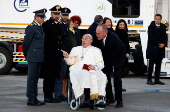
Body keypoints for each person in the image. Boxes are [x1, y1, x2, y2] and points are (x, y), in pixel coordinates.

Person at [61, 34, 107, 110]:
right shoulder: (75, 49)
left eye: (86, 39)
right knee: (86, 74)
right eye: (82, 38)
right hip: (78, 70)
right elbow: (70, 62)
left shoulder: (96, 50)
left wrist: (95, 67)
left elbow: (101, 63)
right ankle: (87, 99)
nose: (83, 40)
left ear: (91, 41)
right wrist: (67, 57)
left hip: (93, 70)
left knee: (103, 77)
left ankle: (99, 98)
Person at [95, 24, 126, 108]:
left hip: (118, 57)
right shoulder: (98, 37)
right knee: (105, 77)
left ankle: (119, 100)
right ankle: (110, 97)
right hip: (107, 57)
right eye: (96, 33)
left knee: (116, 78)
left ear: (105, 33)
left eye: (98, 33)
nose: (96, 35)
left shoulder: (114, 39)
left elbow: (114, 55)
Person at [22, 8, 47, 106]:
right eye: (41, 17)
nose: (43, 19)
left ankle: (34, 98)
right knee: (31, 78)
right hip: (33, 56)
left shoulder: (40, 27)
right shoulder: (31, 27)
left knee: (35, 79)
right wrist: (26, 55)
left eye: (44, 17)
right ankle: (31, 99)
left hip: (39, 57)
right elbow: (25, 43)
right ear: (36, 17)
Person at [40, 5, 62, 103]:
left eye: (58, 14)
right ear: (51, 14)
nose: (57, 15)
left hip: (56, 54)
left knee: (54, 76)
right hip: (49, 55)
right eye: (55, 14)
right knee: (48, 76)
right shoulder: (46, 24)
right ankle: (47, 96)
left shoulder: (59, 25)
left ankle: (51, 95)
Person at [54, 7, 71, 101]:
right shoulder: (59, 25)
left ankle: (60, 93)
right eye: (64, 15)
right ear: (61, 15)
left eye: (67, 15)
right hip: (60, 53)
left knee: (63, 74)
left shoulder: (66, 26)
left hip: (66, 53)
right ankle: (57, 94)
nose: (65, 17)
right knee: (59, 75)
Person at [146, 14, 167, 85]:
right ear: (154, 19)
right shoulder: (150, 27)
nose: (157, 20)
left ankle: (157, 79)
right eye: (156, 18)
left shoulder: (163, 27)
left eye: (158, 19)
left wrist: (164, 44)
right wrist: (159, 44)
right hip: (152, 49)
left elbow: (165, 37)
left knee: (158, 65)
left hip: (160, 49)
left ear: (161, 19)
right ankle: (149, 80)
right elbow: (151, 38)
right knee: (151, 65)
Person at [115, 19, 130, 91]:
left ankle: (119, 86)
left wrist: (128, 52)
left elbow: (127, 44)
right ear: (118, 25)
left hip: (124, 54)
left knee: (122, 71)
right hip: (119, 54)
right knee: (118, 71)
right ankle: (117, 87)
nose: (122, 26)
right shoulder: (116, 33)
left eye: (123, 25)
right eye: (120, 24)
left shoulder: (125, 32)